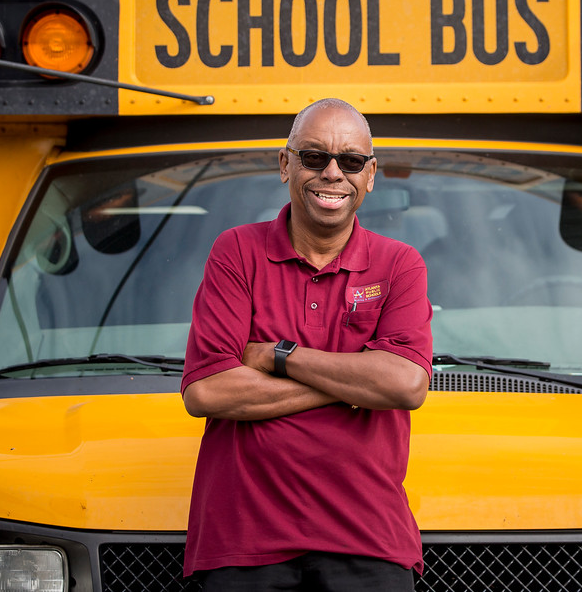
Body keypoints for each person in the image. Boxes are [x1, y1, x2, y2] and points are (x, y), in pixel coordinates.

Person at [181, 97, 434, 591]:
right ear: (285, 164)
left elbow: (406, 385)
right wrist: (359, 379)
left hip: (369, 542)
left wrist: (281, 356)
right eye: (314, 157)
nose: (333, 174)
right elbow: (206, 392)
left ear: (371, 174)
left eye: (352, 161)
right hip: (241, 542)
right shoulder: (236, 251)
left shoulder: (400, 264)